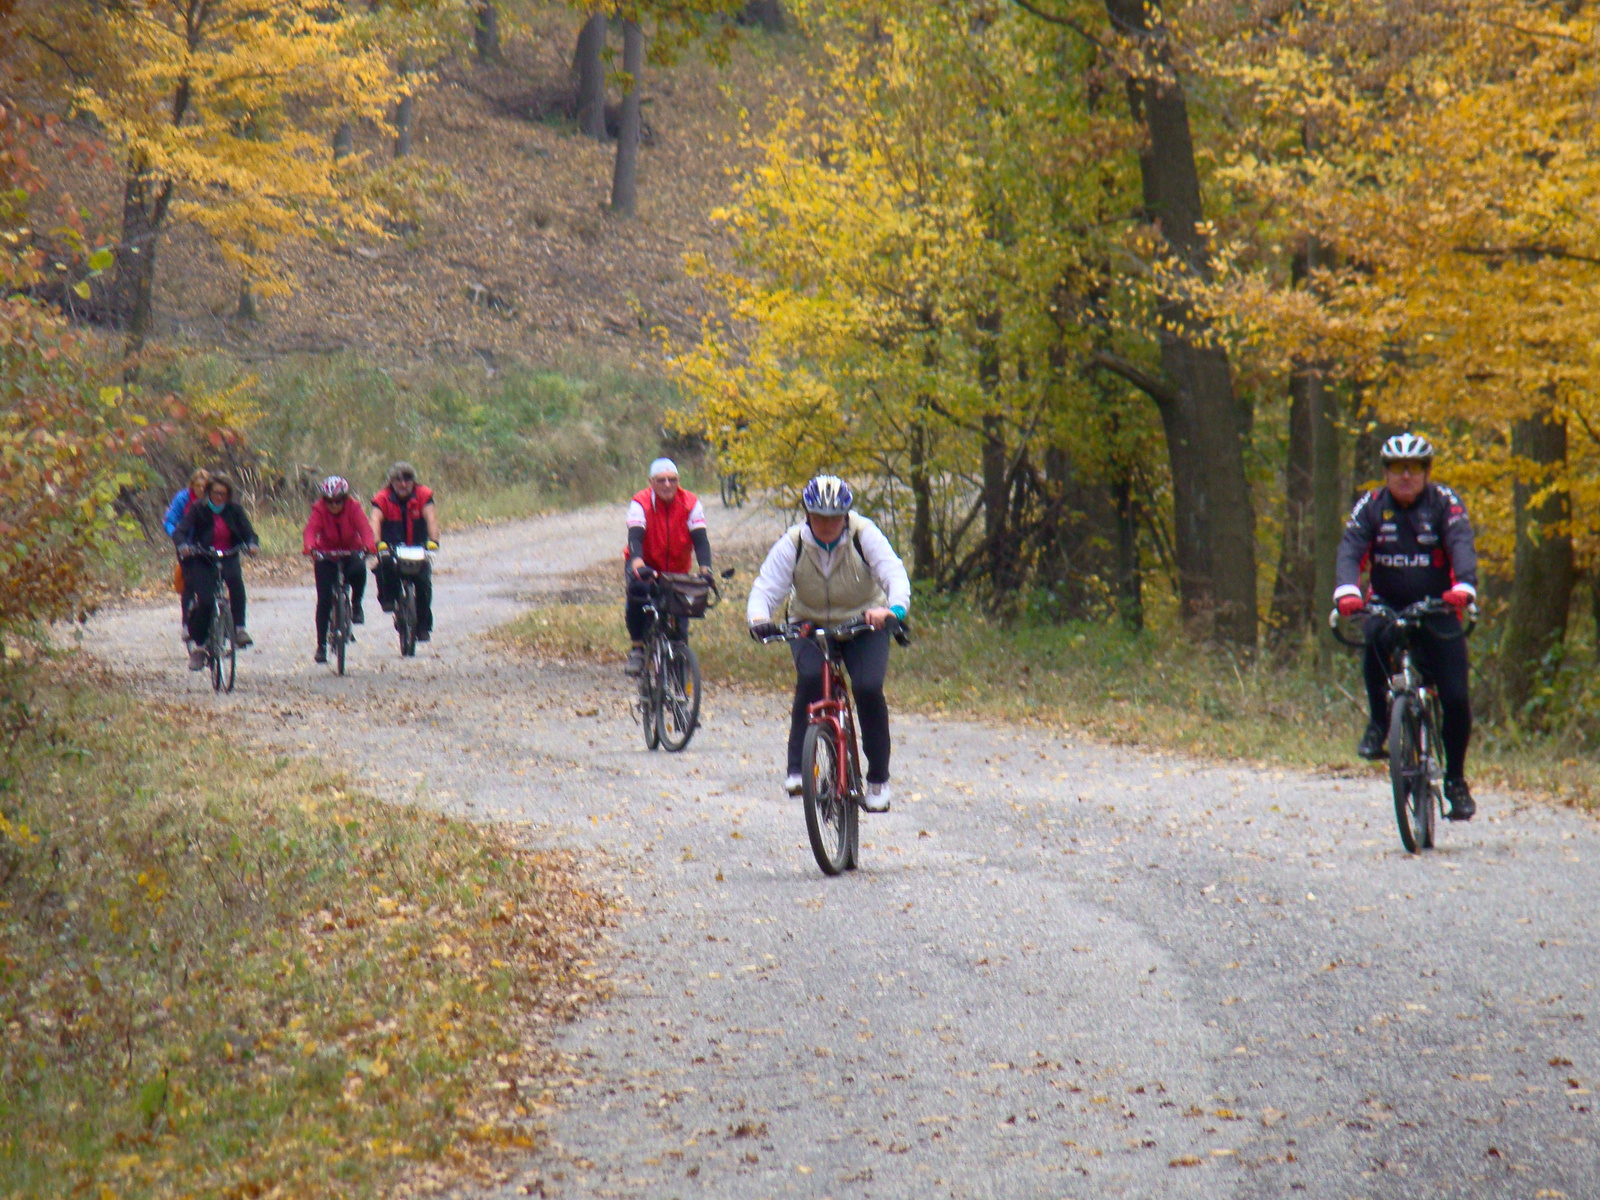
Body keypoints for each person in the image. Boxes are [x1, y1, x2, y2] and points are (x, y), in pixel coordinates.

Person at [1334, 432, 1479, 820]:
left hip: (1437, 607)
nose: (1405, 476)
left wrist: (1464, 585)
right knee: (1374, 637)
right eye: (1397, 469)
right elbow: (1350, 549)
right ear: (1386, 472)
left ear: (1426, 472)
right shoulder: (1370, 506)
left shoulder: (1444, 504)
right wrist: (1347, 591)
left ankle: (1456, 781)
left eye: (1413, 469)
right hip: (1387, 603)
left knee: (1455, 699)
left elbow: (1461, 543)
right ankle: (1379, 724)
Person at [747, 474, 910, 810]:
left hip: (864, 623)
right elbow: (766, 587)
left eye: (833, 517)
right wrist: (760, 619)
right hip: (810, 624)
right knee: (809, 679)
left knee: (866, 687)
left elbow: (893, 573)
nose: (826, 524)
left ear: (845, 516)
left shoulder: (865, 535)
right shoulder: (793, 543)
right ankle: (797, 769)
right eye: (818, 516)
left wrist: (892, 610)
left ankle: (877, 779)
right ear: (807, 515)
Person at [623, 457, 713, 676]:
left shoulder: (690, 503)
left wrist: (705, 570)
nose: (667, 485)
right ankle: (637, 648)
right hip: (646, 563)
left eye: (672, 480)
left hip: (676, 570)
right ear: (651, 482)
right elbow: (635, 537)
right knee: (637, 592)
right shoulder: (640, 503)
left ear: (678, 480)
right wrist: (637, 564)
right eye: (661, 480)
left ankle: (679, 676)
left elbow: (700, 540)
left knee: (680, 623)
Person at [174, 474, 259, 669]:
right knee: (205, 600)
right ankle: (200, 647)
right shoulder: (199, 509)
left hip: (228, 554)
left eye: (224, 493)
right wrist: (183, 546)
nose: (219, 497)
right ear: (208, 492)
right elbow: (181, 530)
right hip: (203, 557)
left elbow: (249, 533)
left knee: (235, 581)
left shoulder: (234, 510)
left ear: (229, 495)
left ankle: (239, 629)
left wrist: (252, 545)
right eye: (215, 493)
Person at [303, 475, 377, 664]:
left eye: (338, 501)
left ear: (345, 498)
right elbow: (311, 530)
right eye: (330, 501)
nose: (334, 505)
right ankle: (321, 646)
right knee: (324, 600)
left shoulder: (354, 507)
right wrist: (310, 548)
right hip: (327, 554)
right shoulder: (319, 510)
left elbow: (365, 529)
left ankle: (356, 604)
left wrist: (369, 546)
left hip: (351, 550)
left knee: (359, 569)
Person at [370, 461, 439, 642]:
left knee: (424, 582)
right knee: (384, 567)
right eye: (398, 480)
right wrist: (378, 543)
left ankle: (423, 626)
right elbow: (375, 521)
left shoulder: (423, 495)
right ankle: (389, 600)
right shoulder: (382, 498)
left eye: (407, 479)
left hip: (417, 546)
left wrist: (433, 541)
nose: (403, 484)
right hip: (391, 547)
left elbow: (431, 518)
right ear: (391, 482)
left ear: (413, 481)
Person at [163, 467, 210, 645]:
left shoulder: (212, 500)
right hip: (186, 545)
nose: (200, 489)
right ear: (192, 486)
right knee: (189, 581)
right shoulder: (183, 498)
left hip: (206, 545)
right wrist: (178, 539)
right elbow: (169, 521)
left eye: (204, 486)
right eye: (197, 486)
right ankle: (186, 624)